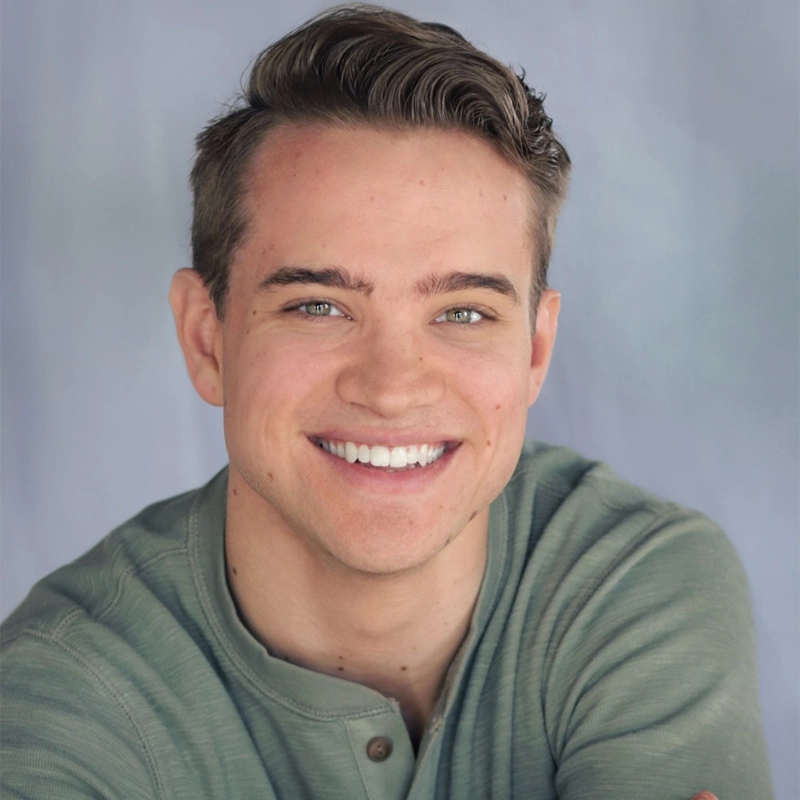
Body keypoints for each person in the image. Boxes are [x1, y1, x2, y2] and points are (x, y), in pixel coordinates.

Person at [0, 5, 772, 799]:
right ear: (208, 341)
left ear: (535, 351)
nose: (393, 386)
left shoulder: (635, 583)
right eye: (318, 306)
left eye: (463, 313)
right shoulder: (58, 696)